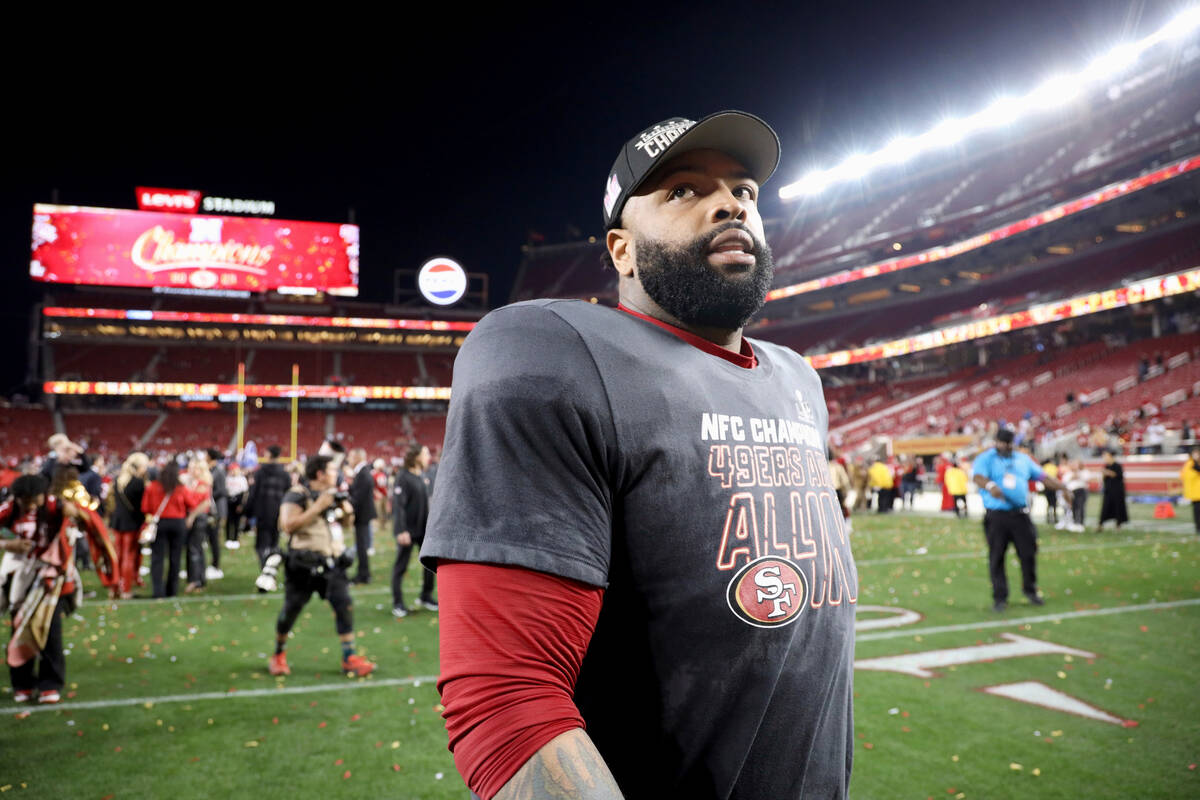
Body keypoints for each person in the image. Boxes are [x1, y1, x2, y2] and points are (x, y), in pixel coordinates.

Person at [422, 111, 857, 799]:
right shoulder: (552, 349)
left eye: (744, 190)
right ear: (621, 251)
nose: (729, 203)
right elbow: (506, 699)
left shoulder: (797, 379)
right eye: (682, 191)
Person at [1, 471, 114, 703]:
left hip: (51, 580)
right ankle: (22, 683)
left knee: (50, 631)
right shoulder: (9, 510)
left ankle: (50, 683)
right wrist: (9, 544)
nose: (31, 504)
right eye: (25, 500)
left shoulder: (57, 507)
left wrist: (78, 514)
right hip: (20, 579)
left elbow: (89, 523)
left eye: (35, 499)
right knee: (20, 628)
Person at [266, 455, 374, 678]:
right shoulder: (297, 494)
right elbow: (288, 525)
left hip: (332, 563)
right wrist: (318, 507)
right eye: (333, 470)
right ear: (320, 474)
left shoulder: (332, 494)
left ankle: (349, 657)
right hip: (303, 564)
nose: (338, 474)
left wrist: (346, 509)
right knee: (291, 610)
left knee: (344, 607)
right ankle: (278, 654)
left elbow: (346, 523)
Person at [972, 427, 1071, 612]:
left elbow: (1043, 477)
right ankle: (1000, 597)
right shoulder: (987, 458)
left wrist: (1063, 488)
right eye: (1003, 443)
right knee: (997, 557)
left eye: (1009, 443)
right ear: (996, 442)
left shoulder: (1022, 459)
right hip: (996, 515)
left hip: (1020, 514)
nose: (1006, 446)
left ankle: (1030, 590)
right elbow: (977, 477)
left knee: (1028, 553)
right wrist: (990, 485)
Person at [141, 461, 202, 598]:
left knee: (157, 558)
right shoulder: (180, 488)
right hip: (178, 524)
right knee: (175, 557)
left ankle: (158, 591)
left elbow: (145, 508)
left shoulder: (152, 487)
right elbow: (192, 503)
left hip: (159, 524)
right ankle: (172, 591)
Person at [391, 443, 436, 617]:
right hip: (408, 531)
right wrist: (401, 530)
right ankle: (398, 603)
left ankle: (426, 595)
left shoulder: (421, 475)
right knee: (400, 567)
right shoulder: (403, 476)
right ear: (416, 456)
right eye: (425, 453)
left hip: (423, 530)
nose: (428, 457)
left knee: (429, 565)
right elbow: (399, 505)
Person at [110, 452, 149, 599]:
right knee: (129, 556)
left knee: (118, 555)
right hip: (132, 523)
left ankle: (115, 587)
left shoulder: (118, 480)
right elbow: (142, 506)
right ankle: (126, 588)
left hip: (118, 522)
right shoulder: (138, 483)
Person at [247, 445, 290, 566]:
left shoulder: (260, 473)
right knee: (274, 543)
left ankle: (265, 569)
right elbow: (288, 494)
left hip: (263, 513)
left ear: (269, 455)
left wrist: (248, 512)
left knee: (261, 544)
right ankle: (271, 569)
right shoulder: (285, 474)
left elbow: (253, 494)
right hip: (278, 513)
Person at [347, 448, 376, 584]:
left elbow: (358, 497)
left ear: (358, 458)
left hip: (362, 515)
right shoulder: (362, 472)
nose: (349, 459)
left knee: (361, 546)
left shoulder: (363, 473)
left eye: (351, 456)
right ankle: (363, 573)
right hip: (363, 514)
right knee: (361, 545)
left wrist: (348, 507)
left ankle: (363, 575)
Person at [1097, 450, 1128, 529]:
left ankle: (1118, 525)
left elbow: (1118, 476)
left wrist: (1107, 472)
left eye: (1106, 456)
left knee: (1118, 508)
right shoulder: (1106, 466)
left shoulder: (1117, 466)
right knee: (1105, 508)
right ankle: (1100, 525)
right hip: (1108, 490)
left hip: (1117, 491)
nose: (1105, 458)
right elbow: (1104, 478)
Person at [1065, 459, 1090, 532]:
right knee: (1073, 507)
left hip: (1081, 491)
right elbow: (1065, 481)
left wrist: (1078, 475)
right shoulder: (1069, 473)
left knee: (1080, 506)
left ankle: (1081, 523)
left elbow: (1087, 479)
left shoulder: (1084, 472)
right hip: (1071, 492)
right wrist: (1072, 477)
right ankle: (1075, 522)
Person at [1180, 446, 1200, 535]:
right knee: (1197, 511)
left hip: (1196, 492)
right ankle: (1198, 527)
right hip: (1196, 493)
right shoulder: (1191, 463)